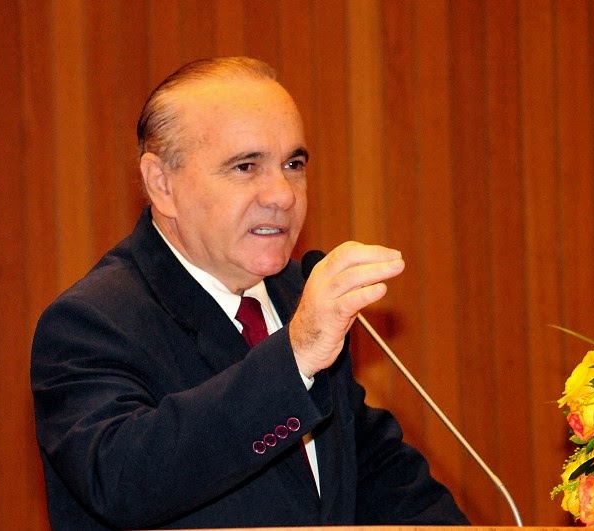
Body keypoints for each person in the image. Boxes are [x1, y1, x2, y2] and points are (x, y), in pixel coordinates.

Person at [31, 56, 468, 529]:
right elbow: (122, 481)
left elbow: (379, 478)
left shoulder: (296, 297)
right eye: (245, 166)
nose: (283, 195)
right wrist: (295, 356)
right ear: (162, 184)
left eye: (293, 164)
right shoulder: (91, 322)